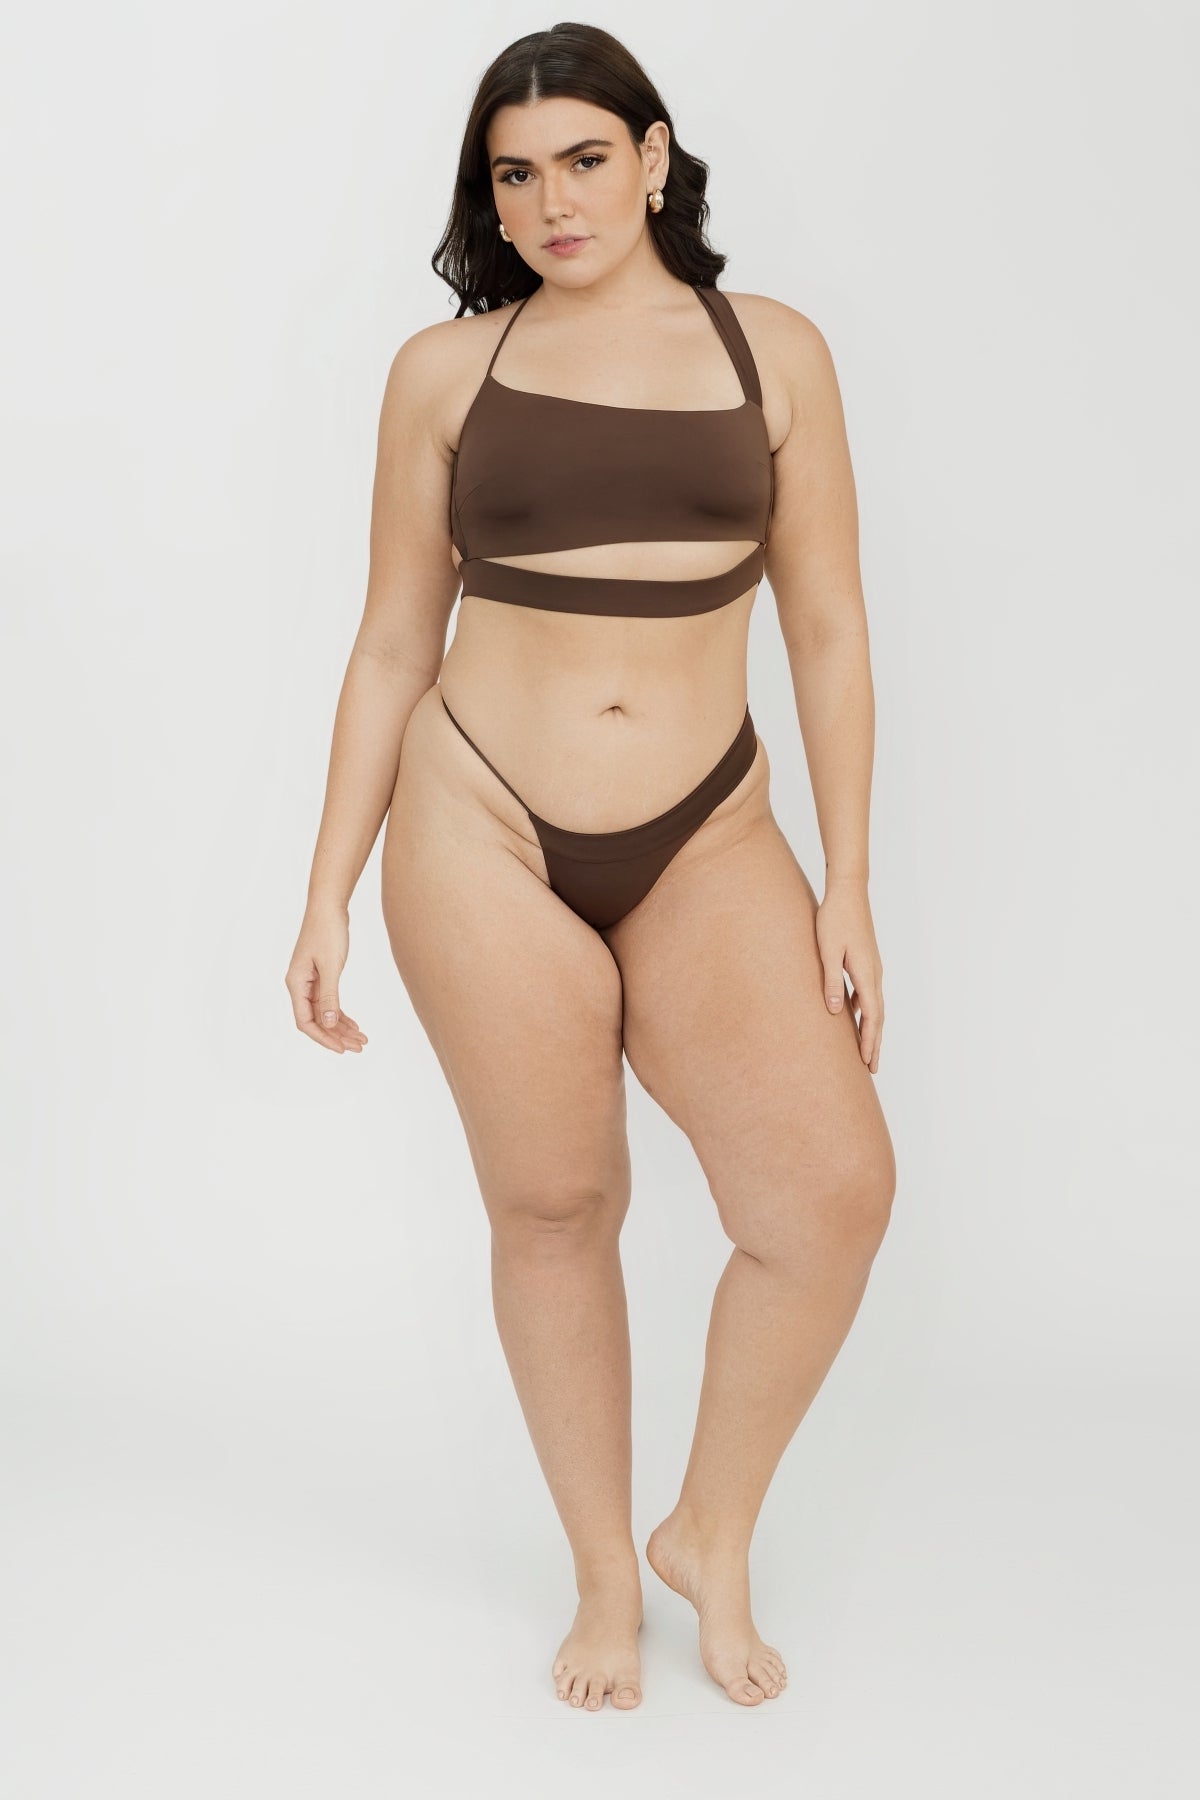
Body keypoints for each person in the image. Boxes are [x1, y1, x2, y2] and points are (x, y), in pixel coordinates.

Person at [285, 22, 896, 1715]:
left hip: (708, 826)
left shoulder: (775, 352)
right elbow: (392, 639)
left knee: (829, 1199)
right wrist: (328, 885)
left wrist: (849, 881)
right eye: (514, 173)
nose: (551, 200)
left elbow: (830, 629)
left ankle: (708, 1527)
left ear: (652, 156)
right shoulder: (444, 373)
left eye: (581, 159)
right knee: (556, 1203)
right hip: (478, 820)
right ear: (488, 196)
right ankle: (601, 1578)